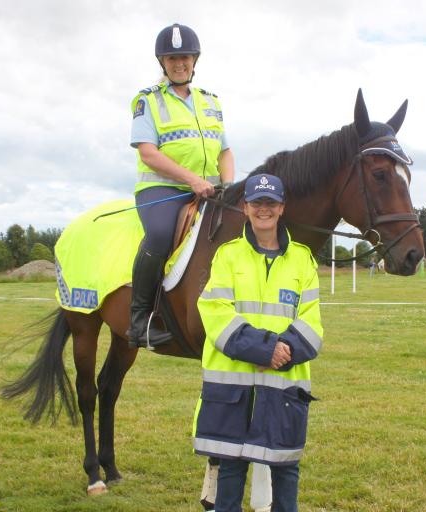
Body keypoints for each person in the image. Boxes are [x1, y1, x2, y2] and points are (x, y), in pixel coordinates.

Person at [193, 174, 323, 512]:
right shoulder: (227, 256)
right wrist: (263, 349)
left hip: (283, 389)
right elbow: (215, 310)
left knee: (285, 468)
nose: (263, 209)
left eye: (270, 203)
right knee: (232, 467)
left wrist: (283, 354)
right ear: (245, 207)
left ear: (282, 208)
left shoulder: (303, 260)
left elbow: (311, 322)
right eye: (257, 203)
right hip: (233, 391)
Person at [128, 23, 235, 349]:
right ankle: (140, 319)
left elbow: (225, 150)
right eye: (172, 58)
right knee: (160, 234)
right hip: (163, 190)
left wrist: (228, 185)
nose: (179, 64)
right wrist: (193, 181)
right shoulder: (147, 100)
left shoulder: (210, 101)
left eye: (185, 57)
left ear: (194, 60)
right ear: (163, 62)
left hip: (212, 189)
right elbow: (148, 153)